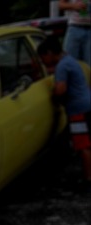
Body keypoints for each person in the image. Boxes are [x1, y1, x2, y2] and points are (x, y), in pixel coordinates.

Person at [38, 36, 91, 190]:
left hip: (78, 110)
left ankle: (88, 179)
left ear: (49, 53)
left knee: (83, 145)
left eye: (43, 58)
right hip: (86, 104)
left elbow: (61, 89)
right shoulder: (68, 60)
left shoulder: (62, 66)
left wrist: (52, 95)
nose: (43, 61)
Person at [58, 0, 91, 66]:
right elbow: (60, 5)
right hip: (75, 27)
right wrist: (74, 6)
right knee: (68, 62)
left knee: (88, 65)